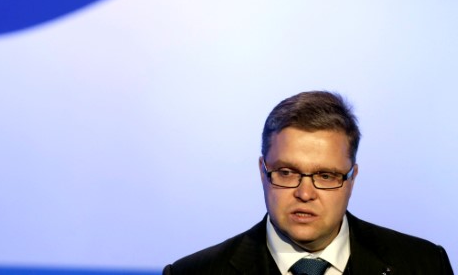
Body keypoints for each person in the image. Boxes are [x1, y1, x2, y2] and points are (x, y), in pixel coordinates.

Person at [163, 91, 453, 274]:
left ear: (352, 179)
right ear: (263, 173)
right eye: (287, 172)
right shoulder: (195, 272)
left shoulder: (423, 264)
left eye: (326, 176)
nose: (304, 193)